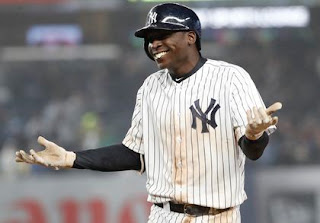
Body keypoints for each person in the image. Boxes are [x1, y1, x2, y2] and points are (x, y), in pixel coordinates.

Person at [15, 3, 282, 223]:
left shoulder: (230, 78)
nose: (154, 43)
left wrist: (254, 134)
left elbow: (253, 151)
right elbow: (136, 153)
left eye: (162, 34)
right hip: (162, 216)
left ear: (191, 37)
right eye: (150, 38)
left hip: (216, 217)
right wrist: (73, 158)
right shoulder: (150, 87)